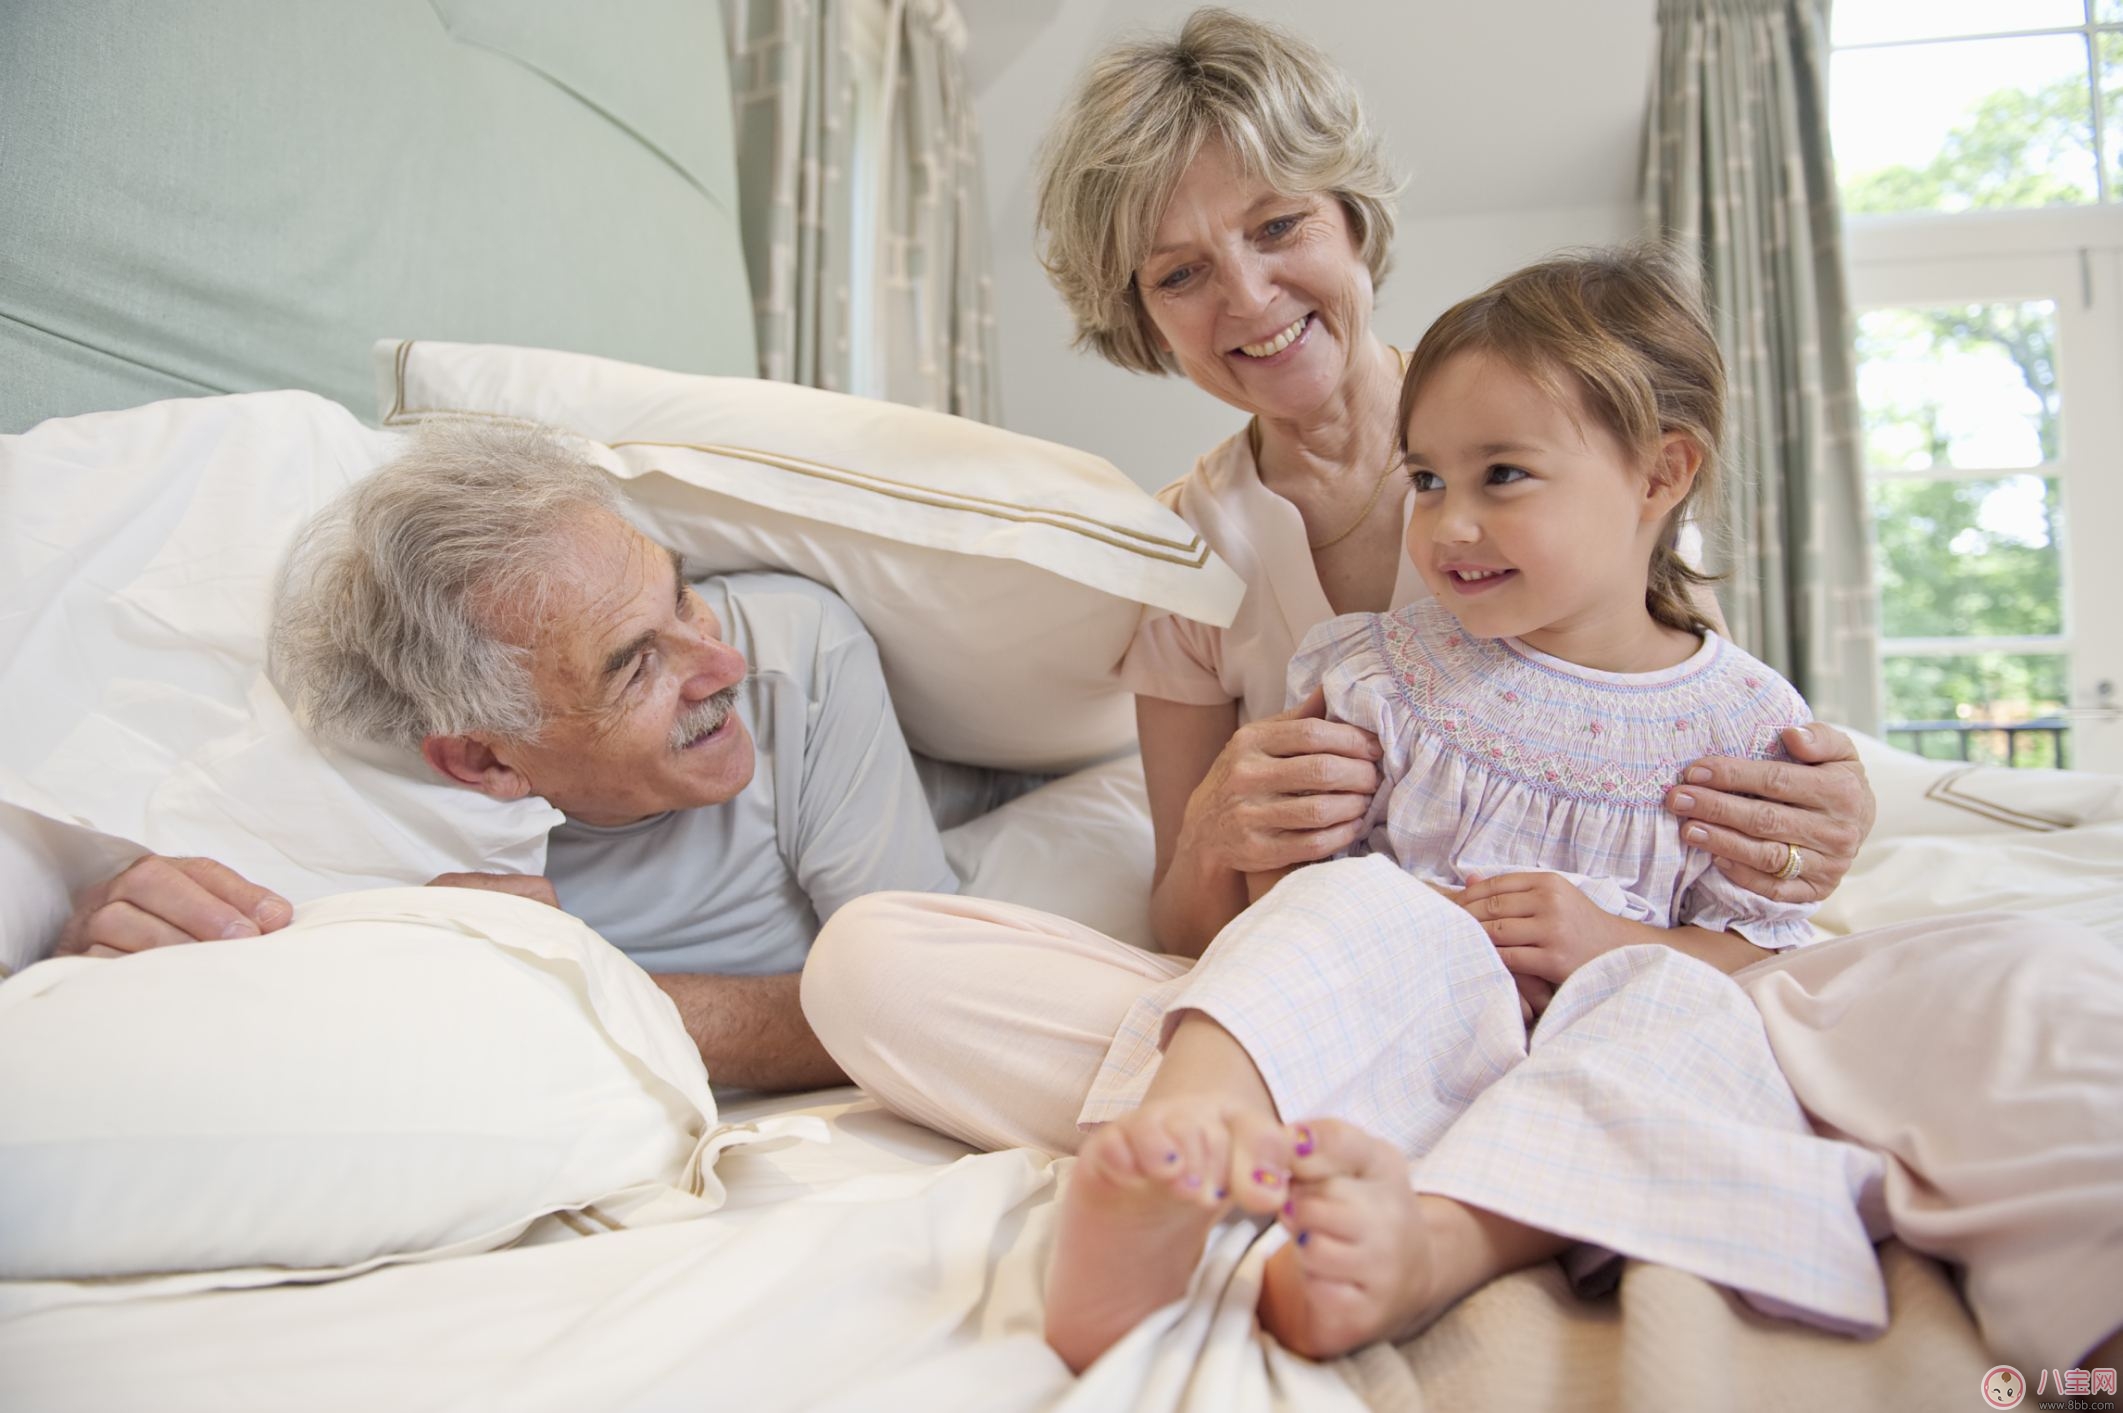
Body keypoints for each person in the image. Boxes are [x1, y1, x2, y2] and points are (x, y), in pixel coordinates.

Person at [801, 5, 2123, 1378]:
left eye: (1274, 228)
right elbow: (1186, 918)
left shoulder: (1551, 418)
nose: (1246, 298)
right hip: (1356, 973)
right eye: (1178, 274)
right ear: (1140, 319)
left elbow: (1702, 739)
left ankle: (1433, 1152)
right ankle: (1362, 1138)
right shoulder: (1185, 558)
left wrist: (1824, 808)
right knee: (879, 961)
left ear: (1352, 223)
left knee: (1967, 984)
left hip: (1619, 979)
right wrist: (1218, 837)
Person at [1041, 243, 1897, 1369]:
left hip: (1583, 1050)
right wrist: (1285, 862)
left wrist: (1615, 945)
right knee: (1353, 903)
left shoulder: (1735, 723)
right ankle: (1189, 1135)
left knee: (1677, 1021)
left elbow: (1761, 955)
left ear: (1658, 475)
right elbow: (1281, 914)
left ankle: (1438, 1244)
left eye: (1500, 477)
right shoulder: (1375, 672)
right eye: (1427, 481)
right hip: (1414, 1035)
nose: (1445, 526)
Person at [54, 420, 959, 1091]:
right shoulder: (368, 837)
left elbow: (928, 1004)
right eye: (635, 666)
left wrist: (574, 993)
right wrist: (98, 955)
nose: (724, 667)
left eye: (681, 599)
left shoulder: (800, 650)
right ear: (485, 764)